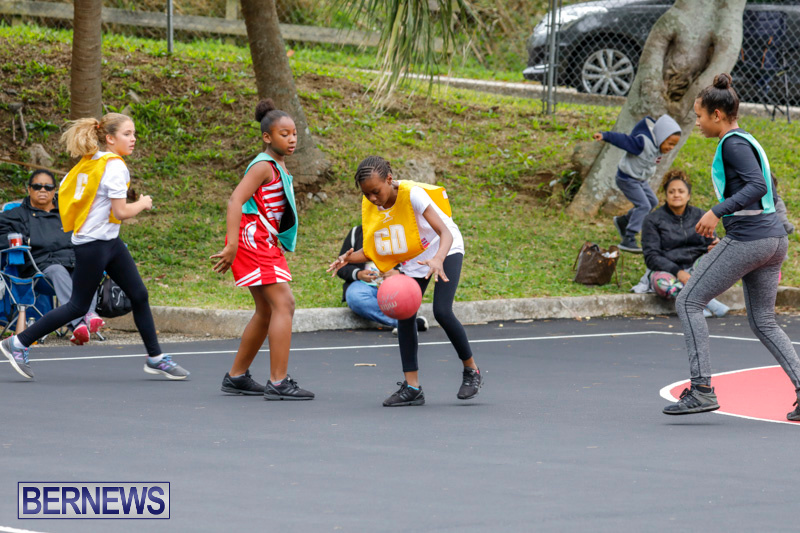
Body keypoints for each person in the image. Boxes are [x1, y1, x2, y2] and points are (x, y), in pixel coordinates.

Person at [0, 113, 189, 381]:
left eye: (134, 134)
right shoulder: (114, 166)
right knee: (77, 306)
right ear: (109, 138)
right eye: (127, 134)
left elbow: (71, 191)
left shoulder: (92, 161)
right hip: (93, 245)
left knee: (139, 294)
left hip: (109, 242)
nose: (133, 139)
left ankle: (156, 357)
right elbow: (121, 211)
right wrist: (143, 203)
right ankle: (18, 343)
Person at [662, 73, 800, 421]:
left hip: (751, 240)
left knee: (688, 301)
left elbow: (756, 186)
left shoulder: (732, 144)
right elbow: (769, 186)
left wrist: (716, 211)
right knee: (763, 321)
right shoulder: (748, 140)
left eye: (699, 116)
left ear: (717, 115)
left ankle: (701, 390)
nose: (697, 122)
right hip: (772, 241)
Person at [327, 156, 481, 407]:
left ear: (389, 179)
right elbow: (374, 250)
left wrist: (438, 259)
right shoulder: (373, 205)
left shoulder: (413, 195)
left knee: (442, 311)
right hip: (414, 255)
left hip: (444, 247)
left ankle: (471, 370)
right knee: (405, 314)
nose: (372, 198)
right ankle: (412, 387)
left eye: (376, 191)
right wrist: (347, 259)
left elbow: (444, 232)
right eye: (366, 194)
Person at [211, 99, 312, 400]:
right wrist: (231, 245)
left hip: (264, 241)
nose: (292, 139)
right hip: (253, 241)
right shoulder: (263, 165)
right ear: (267, 137)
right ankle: (278, 382)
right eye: (284, 134)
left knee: (267, 309)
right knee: (285, 303)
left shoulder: (277, 165)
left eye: (294, 133)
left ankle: (236, 376)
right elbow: (235, 200)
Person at [0, 169, 104, 344]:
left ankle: (83, 322)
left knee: (89, 267)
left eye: (48, 187)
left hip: (72, 261)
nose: (43, 190)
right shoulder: (18, 214)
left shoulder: (66, 212)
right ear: (29, 189)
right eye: (37, 186)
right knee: (57, 270)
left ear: (54, 190)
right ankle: (82, 319)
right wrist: (20, 239)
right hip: (41, 268)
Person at [640, 170, 729, 318]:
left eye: (681, 191)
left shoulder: (700, 216)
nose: (676, 195)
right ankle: (700, 304)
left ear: (688, 195)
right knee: (662, 283)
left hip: (695, 269)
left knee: (717, 261)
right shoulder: (652, 220)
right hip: (668, 271)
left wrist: (716, 245)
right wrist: (678, 272)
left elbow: (712, 243)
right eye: (671, 192)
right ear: (665, 195)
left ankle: (693, 304)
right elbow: (651, 256)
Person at [593, 114, 682, 253]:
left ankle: (623, 221)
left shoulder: (658, 146)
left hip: (640, 180)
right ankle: (628, 238)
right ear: (661, 137)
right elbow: (623, 140)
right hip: (627, 179)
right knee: (644, 205)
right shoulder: (642, 143)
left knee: (652, 202)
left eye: (674, 145)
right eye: (669, 143)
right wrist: (605, 135)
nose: (671, 147)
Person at [336, 225, 428, 335]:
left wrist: (398, 272)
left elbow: (417, 263)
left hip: (394, 286)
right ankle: (407, 324)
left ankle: (407, 324)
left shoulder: (400, 230)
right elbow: (341, 266)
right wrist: (358, 274)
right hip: (364, 286)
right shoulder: (356, 232)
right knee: (354, 296)